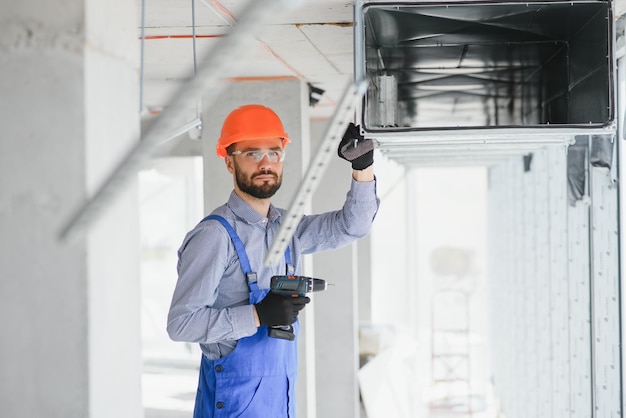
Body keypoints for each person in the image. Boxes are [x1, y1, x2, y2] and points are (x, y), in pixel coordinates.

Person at [167, 104, 380, 418]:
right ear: (229, 162)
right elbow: (181, 325)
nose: (266, 163)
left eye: (274, 153)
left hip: (281, 404)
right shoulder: (215, 236)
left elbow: (352, 226)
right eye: (252, 153)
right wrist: (255, 314)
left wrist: (363, 168)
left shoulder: (286, 228)